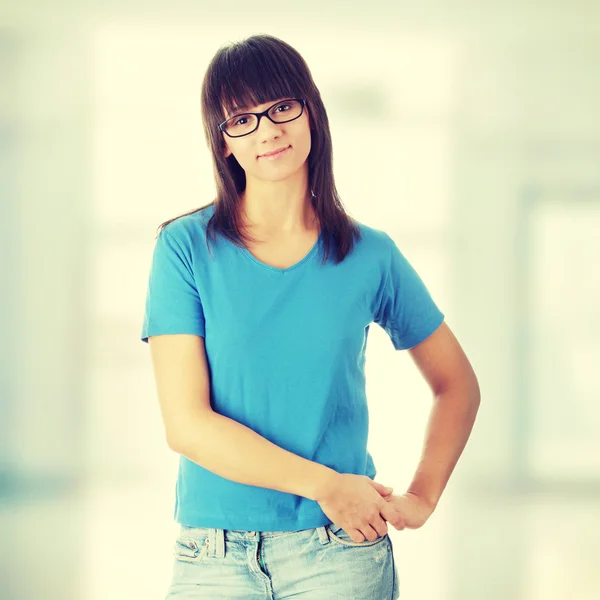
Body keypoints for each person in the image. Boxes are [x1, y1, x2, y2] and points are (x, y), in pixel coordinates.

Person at [141, 33, 480, 600]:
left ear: (311, 112)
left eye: (280, 107)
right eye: (241, 119)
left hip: (340, 553)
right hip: (212, 556)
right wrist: (327, 485)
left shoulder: (371, 255)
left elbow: (457, 385)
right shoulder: (183, 249)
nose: (267, 130)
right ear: (222, 143)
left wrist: (423, 496)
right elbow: (187, 424)